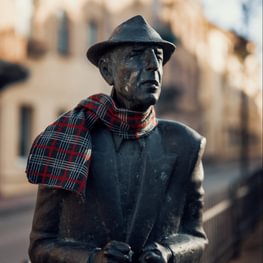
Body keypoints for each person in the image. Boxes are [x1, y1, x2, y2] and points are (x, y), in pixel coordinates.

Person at [26, 15, 207, 263]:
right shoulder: (68, 139)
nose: (153, 65)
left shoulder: (187, 145)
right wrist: (91, 259)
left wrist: (169, 253)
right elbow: (40, 245)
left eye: (159, 57)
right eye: (136, 54)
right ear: (107, 70)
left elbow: (196, 236)